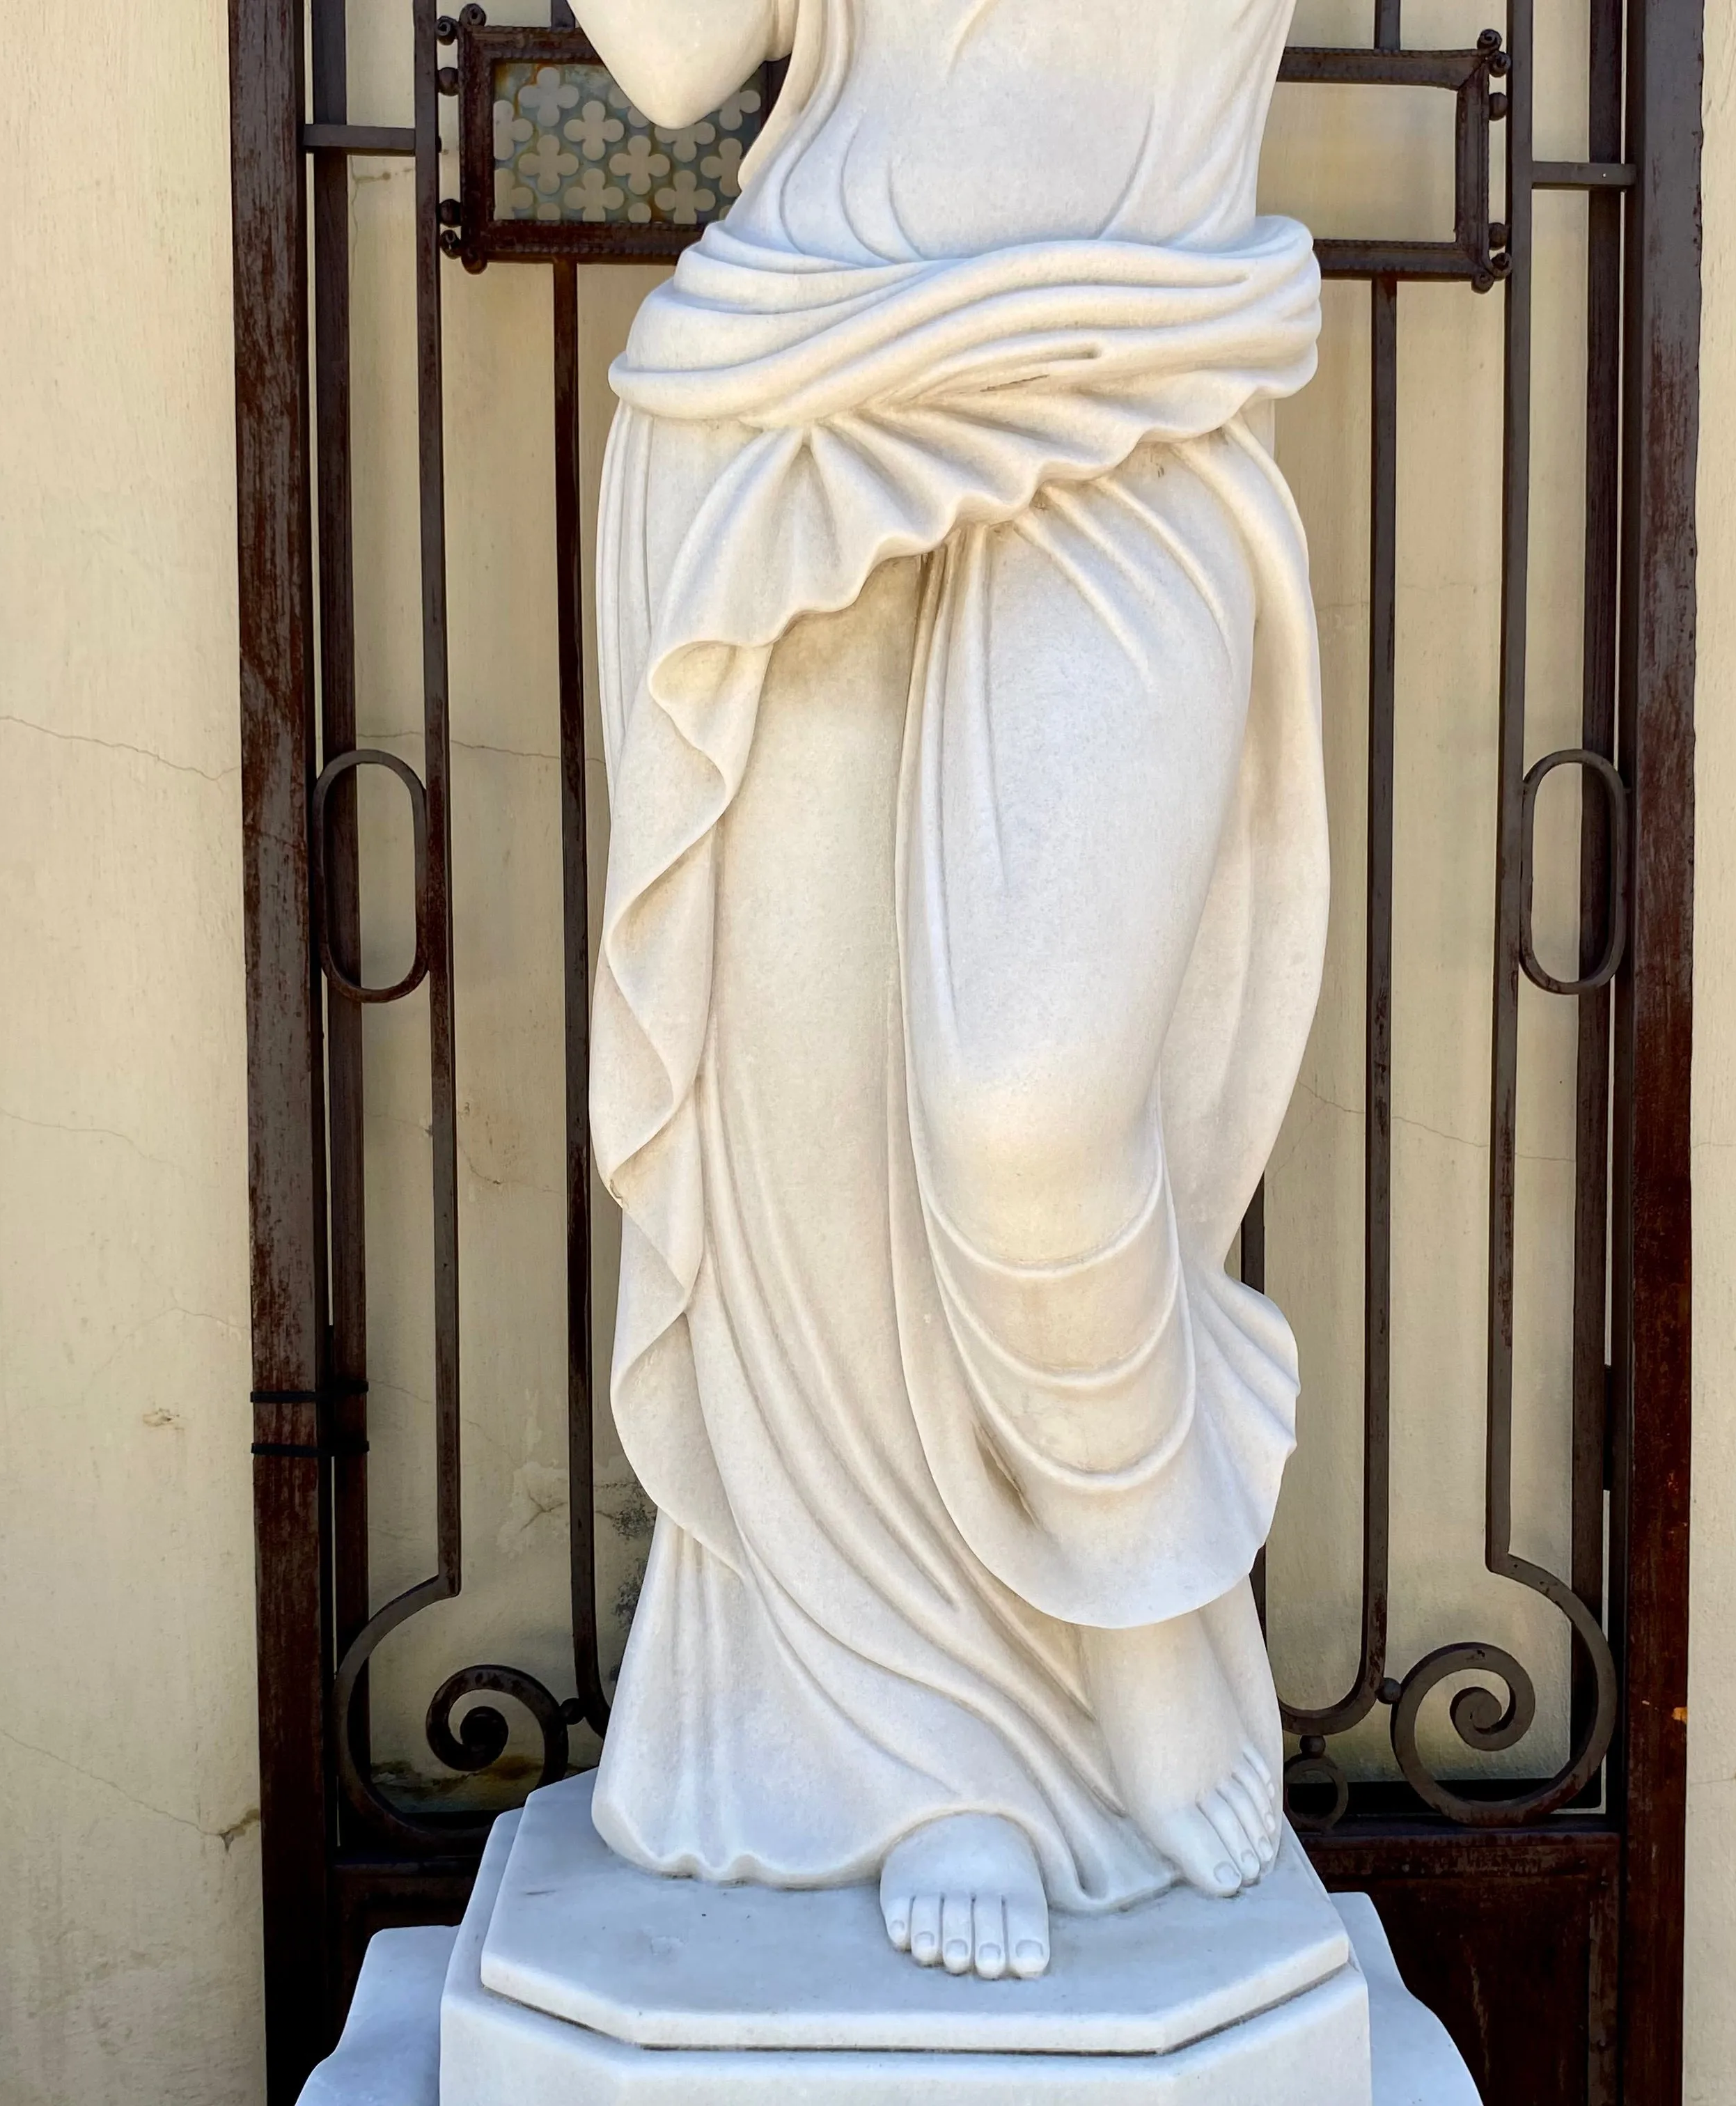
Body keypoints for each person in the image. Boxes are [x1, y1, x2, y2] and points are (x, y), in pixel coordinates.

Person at [581, 0, 1329, 1983]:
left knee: (1029, 1112)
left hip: (1134, 392)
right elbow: (670, 61)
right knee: (813, 1161)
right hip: (790, 412)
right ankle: (925, 1761)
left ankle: (1148, 1602)